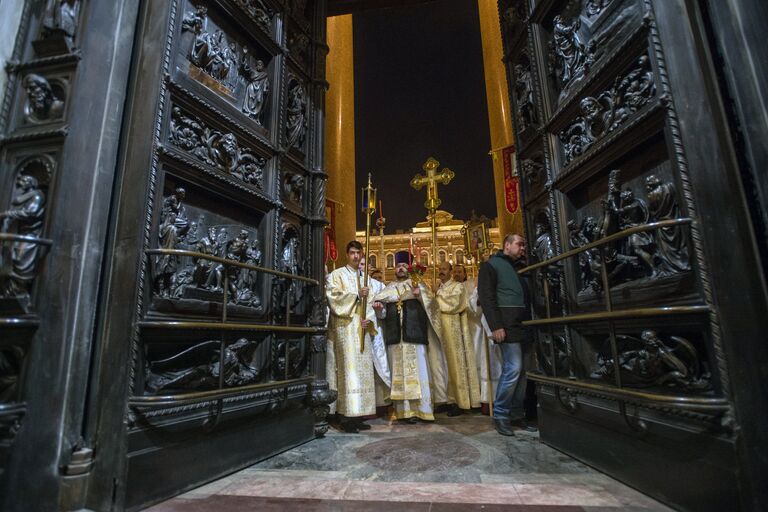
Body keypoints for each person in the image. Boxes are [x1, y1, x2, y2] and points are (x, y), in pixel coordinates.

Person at [372, 251, 447, 423]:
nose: (400, 269)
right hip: (395, 339)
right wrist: (378, 309)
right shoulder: (388, 288)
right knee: (399, 375)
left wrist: (419, 295)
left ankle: (422, 410)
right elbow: (382, 314)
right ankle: (403, 412)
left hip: (414, 336)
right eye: (398, 266)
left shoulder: (419, 285)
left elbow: (432, 307)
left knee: (418, 372)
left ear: (410, 268)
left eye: (404, 266)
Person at [478, 234, 537, 436]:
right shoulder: (491, 265)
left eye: (523, 245)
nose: (522, 248)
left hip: (525, 325)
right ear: (507, 245)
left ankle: (517, 414)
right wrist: (496, 326)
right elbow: (486, 297)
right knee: (513, 369)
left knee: (523, 373)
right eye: (519, 244)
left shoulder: (519, 267)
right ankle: (501, 414)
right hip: (507, 325)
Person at [325, 241, 377, 432]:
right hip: (344, 330)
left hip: (360, 329)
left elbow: (370, 302)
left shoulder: (366, 278)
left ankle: (359, 415)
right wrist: (356, 295)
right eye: (353, 253)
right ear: (347, 255)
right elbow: (333, 297)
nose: (356, 256)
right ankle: (345, 417)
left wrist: (369, 320)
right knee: (348, 372)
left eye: (359, 253)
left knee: (362, 373)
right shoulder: (337, 275)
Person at [454, 264, 502, 415]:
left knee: (495, 365)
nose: (456, 273)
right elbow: (472, 305)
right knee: (479, 364)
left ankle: (496, 400)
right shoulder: (474, 287)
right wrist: (478, 302)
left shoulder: (474, 284)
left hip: (489, 328)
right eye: (454, 271)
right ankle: (483, 399)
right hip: (477, 329)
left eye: (459, 271)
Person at [436, 262, 481, 416]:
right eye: (439, 269)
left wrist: (435, 298)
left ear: (450, 272)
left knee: (455, 364)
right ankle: (445, 399)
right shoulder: (439, 288)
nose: (441, 272)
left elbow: (453, 304)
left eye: (444, 269)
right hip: (440, 330)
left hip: (452, 329)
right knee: (442, 366)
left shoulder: (457, 287)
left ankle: (458, 401)